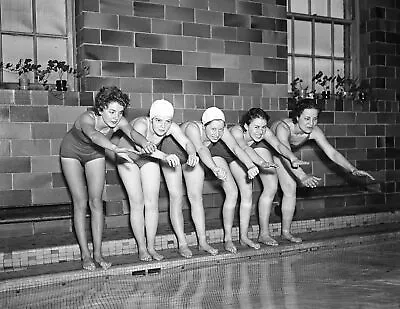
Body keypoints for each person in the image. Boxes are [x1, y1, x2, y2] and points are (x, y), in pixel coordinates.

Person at [59, 86, 156, 271]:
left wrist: (146, 143)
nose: (116, 117)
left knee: (96, 202)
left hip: (95, 154)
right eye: (111, 111)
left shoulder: (119, 121)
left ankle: (97, 253)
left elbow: (133, 134)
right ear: (101, 108)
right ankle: (85, 255)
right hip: (71, 152)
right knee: (80, 202)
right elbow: (94, 135)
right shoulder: (87, 118)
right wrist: (114, 147)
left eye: (120, 112)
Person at [270, 98, 375, 243]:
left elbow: (332, 153)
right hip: (265, 150)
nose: (311, 123)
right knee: (269, 189)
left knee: (290, 188)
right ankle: (263, 234)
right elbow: (284, 152)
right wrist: (302, 176)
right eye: (307, 119)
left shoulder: (314, 131)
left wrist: (352, 169)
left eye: (314, 119)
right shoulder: (283, 128)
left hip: (284, 155)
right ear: (296, 117)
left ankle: (285, 233)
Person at [117, 99, 200, 261]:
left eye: (167, 121)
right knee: (137, 202)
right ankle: (142, 248)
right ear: (151, 118)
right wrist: (165, 156)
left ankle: (151, 247)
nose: (163, 126)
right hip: (127, 158)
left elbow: (187, 142)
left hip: (148, 159)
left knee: (152, 202)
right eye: (159, 121)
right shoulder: (142, 124)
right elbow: (142, 148)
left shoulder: (171, 128)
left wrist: (192, 154)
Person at [179, 107, 260, 254]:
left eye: (220, 130)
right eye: (213, 129)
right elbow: (201, 149)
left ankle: (223, 239)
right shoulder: (193, 128)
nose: (217, 134)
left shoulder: (221, 130)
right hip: (177, 153)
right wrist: (214, 168)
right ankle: (189, 243)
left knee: (231, 192)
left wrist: (250, 165)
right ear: (204, 126)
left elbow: (235, 147)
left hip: (195, 156)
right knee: (190, 197)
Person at [229, 108, 308, 249]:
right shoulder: (237, 131)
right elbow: (244, 148)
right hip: (232, 156)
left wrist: (292, 158)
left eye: (263, 127)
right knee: (246, 192)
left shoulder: (264, 132)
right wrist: (260, 162)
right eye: (256, 127)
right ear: (246, 126)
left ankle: (264, 234)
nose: (260, 131)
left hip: (250, 153)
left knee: (271, 186)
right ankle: (243, 237)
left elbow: (278, 145)